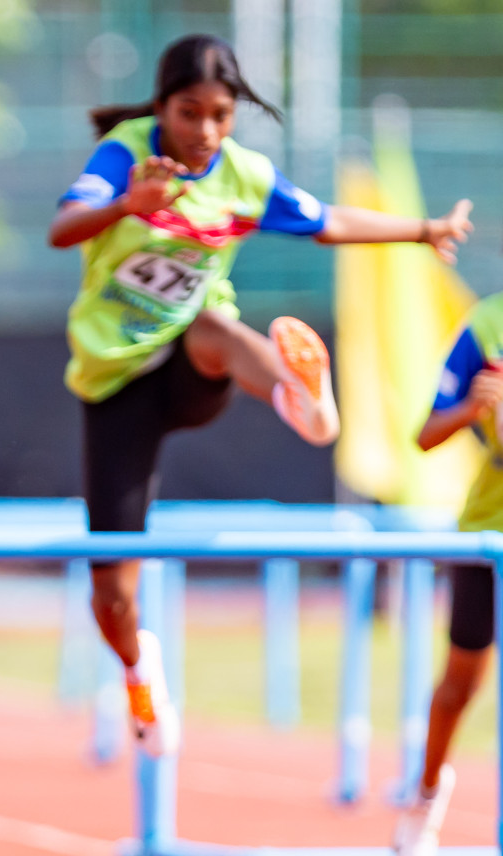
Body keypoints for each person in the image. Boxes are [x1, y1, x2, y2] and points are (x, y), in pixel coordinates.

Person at [48, 34, 473, 757]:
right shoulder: (127, 152)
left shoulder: (243, 176)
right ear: (162, 106)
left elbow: (327, 221)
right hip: (115, 381)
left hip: (193, 363)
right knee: (112, 594)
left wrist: (422, 230)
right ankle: (138, 672)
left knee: (216, 322)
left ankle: (298, 397)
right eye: (190, 113)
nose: (205, 132)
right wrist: (128, 204)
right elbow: (63, 229)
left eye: (221, 115)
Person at [392, 296, 503, 856]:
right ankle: (426, 793)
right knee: (459, 685)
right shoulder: (487, 325)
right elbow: (426, 433)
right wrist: (469, 408)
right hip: (490, 531)